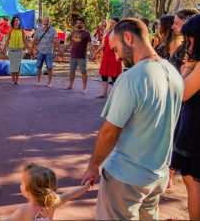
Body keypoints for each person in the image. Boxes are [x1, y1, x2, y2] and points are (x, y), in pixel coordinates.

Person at [81, 18, 184, 220]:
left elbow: (110, 131)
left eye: (115, 49)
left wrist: (93, 166)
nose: (116, 57)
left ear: (128, 38)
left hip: (126, 177)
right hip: (158, 176)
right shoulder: (173, 72)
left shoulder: (131, 78)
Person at [170, 15, 200, 220]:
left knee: (192, 181)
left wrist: (188, 66)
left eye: (189, 40)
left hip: (196, 131)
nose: (188, 45)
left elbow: (181, 93)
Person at [5, 164, 93, 220]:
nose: (20, 184)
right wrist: (85, 187)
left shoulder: (24, 211)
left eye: (22, 183)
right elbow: (69, 194)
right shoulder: (51, 203)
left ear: (30, 193)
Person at [58, 17, 94, 93]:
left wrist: (93, 53)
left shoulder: (87, 33)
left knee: (83, 72)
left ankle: (84, 88)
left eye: (80, 23)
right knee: (71, 71)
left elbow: (90, 45)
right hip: (73, 56)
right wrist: (62, 51)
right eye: (77, 23)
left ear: (84, 23)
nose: (78, 24)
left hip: (82, 56)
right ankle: (70, 85)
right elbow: (68, 43)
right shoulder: (73, 32)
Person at [91, 17, 122, 98]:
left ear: (118, 24)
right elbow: (104, 44)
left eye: (114, 23)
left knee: (114, 76)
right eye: (111, 22)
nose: (112, 24)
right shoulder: (108, 34)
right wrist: (95, 52)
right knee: (104, 75)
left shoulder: (120, 34)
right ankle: (104, 93)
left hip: (115, 57)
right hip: (106, 57)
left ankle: (116, 96)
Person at [29, 16, 59, 88]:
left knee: (50, 68)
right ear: (43, 22)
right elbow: (34, 39)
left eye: (47, 21)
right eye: (45, 21)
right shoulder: (38, 29)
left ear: (50, 22)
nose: (46, 23)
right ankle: (38, 81)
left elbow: (56, 40)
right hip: (40, 51)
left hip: (49, 52)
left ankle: (49, 82)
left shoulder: (53, 30)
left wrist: (59, 50)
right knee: (39, 67)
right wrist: (31, 49)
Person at [171, 8, 199, 74]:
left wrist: (188, 67)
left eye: (176, 23)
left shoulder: (192, 48)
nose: (172, 27)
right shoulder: (184, 45)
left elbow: (184, 83)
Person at [2, 17, 29, 85]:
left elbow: (25, 40)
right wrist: (3, 48)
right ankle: (13, 80)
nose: (16, 22)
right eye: (15, 21)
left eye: (17, 21)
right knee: (13, 65)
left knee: (18, 65)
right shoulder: (10, 30)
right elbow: (7, 40)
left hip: (19, 50)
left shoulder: (22, 30)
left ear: (19, 22)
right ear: (13, 22)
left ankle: (17, 80)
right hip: (11, 49)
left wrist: (29, 48)